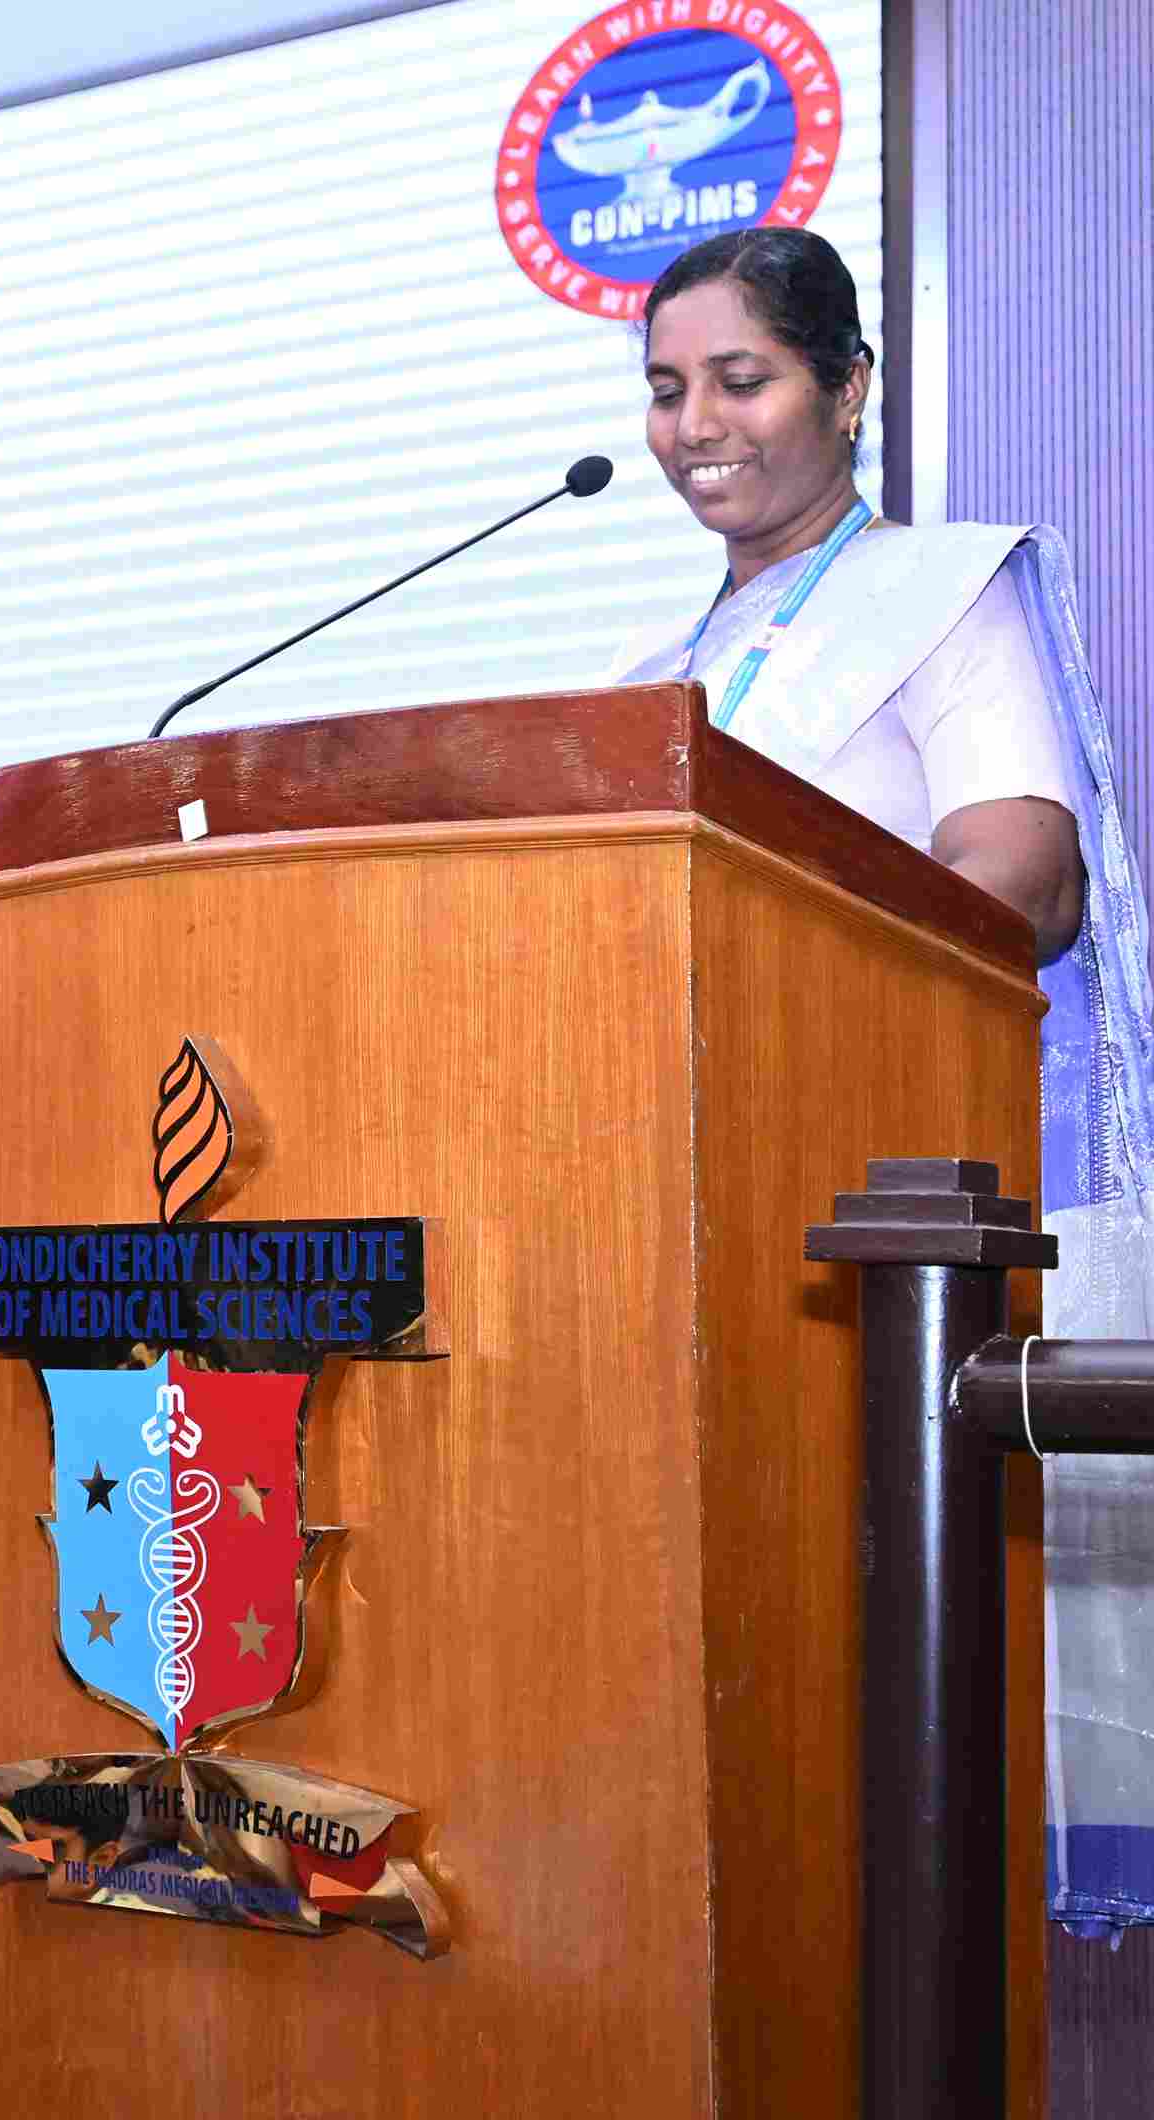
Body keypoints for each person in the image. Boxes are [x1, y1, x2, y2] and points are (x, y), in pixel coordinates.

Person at [611, 226, 1154, 1931]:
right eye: (663, 389)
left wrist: (800, 963)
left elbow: (1018, 874)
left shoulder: (937, 594)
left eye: (740, 377)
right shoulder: (648, 682)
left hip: (894, 1210)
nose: (693, 424)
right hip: (697, 1213)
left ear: (846, 389)